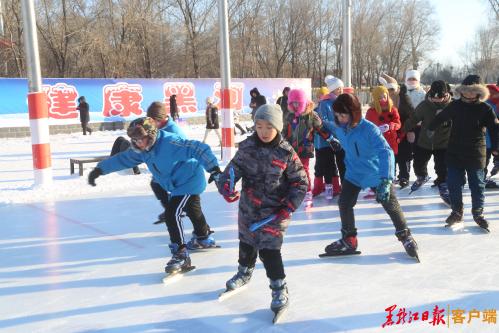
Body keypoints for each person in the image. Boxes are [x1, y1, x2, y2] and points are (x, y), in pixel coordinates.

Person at [87, 117, 222, 273]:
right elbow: (123, 159)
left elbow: (199, 148)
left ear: (150, 135)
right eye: (134, 140)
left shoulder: (170, 143)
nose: (137, 143)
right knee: (193, 209)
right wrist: (99, 170)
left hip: (188, 180)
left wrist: (214, 169)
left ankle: (180, 254)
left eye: (140, 139)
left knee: (172, 213)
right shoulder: (142, 150)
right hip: (175, 182)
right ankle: (203, 237)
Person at [213, 104, 308, 315]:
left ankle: (279, 288)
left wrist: (289, 206)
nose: (263, 132)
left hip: (275, 212)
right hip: (249, 207)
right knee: (246, 242)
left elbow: (300, 183)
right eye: (259, 126)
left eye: (268, 127)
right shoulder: (246, 147)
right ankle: (244, 272)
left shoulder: (286, 153)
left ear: (278, 127)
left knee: (269, 250)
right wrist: (226, 186)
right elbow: (231, 171)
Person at [322, 93, 419, 260]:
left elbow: (386, 151)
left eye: (343, 115)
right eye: (337, 115)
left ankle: (405, 236)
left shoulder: (369, 129)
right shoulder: (340, 127)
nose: (340, 118)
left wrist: (386, 180)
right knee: (344, 203)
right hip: (353, 173)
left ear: (354, 113)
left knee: (390, 204)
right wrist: (318, 121)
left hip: (375, 174)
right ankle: (349, 239)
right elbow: (330, 126)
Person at [429, 75, 499, 230]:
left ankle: (478, 213)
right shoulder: (456, 106)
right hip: (455, 151)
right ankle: (456, 212)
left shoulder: (485, 109)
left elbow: (495, 129)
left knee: (477, 184)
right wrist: (430, 128)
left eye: (473, 91)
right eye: (465, 91)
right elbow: (441, 117)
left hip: (476, 152)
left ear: (479, 92)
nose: (468, 94)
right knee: (453, 183)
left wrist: (496, 147)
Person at [282, 88, 332, 208]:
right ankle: (291, 191)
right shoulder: (288, 115)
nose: (295, 105)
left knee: (303, 170)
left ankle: (308, 192)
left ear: (303, 102)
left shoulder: (311, 115)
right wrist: (279, 142)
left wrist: (331, 139)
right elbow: (283, 131)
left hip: (305, 148)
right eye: (292, 103)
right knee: (289, 170)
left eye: (297, 102)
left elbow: (321, 129)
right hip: (290, 148)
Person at [403, 81, 452, 194]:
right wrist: (403, 129)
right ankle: (422, 176)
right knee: (418, 162)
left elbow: (459, 121)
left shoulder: (452, 106)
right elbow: (414, 118)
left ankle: (443, 182)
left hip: (443, 143)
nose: (437, 100)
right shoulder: (424, 106)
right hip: (425, 141)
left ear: (445, 95)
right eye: (434, 97)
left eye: (440, 97)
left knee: (442, 166)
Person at [312, 76, 346, 199]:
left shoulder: (342, 102)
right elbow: (324, 121)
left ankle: (345, 188)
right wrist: (335, 131)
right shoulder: (324, 103)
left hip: (342, 138)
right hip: (328, 139)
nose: (341, 90)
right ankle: (330, 188)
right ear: (332, 90)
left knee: (343, 164)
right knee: (329, 165)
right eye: (338, 88)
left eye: (341, 88)